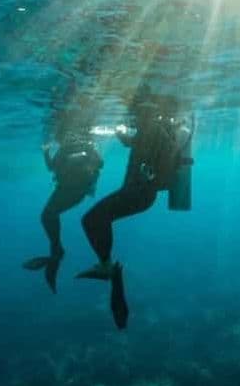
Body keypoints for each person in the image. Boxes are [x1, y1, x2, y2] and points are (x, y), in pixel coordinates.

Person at [76, 87, 193, 329]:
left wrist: (149, 177)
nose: (134, 117)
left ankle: (108, 268)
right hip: (137, 194)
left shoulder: (152, 131)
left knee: (92, 220)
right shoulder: (150, 130)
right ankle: (109, 269)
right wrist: (120, 133)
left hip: (138, 195)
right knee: (95, 219)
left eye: (136, 113)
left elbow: (156, 164)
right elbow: (131, 141)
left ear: (146, 113)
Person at [23, 132, 103, 293]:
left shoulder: (65, 148)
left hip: (66, 191)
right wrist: (92, 149)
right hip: (78, 193)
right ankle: (57, 249)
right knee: (49, 215)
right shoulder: (87, 145)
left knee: (47, 215)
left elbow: (51, 167)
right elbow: (100, 163)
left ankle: (57, 249)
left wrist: (46, 151)